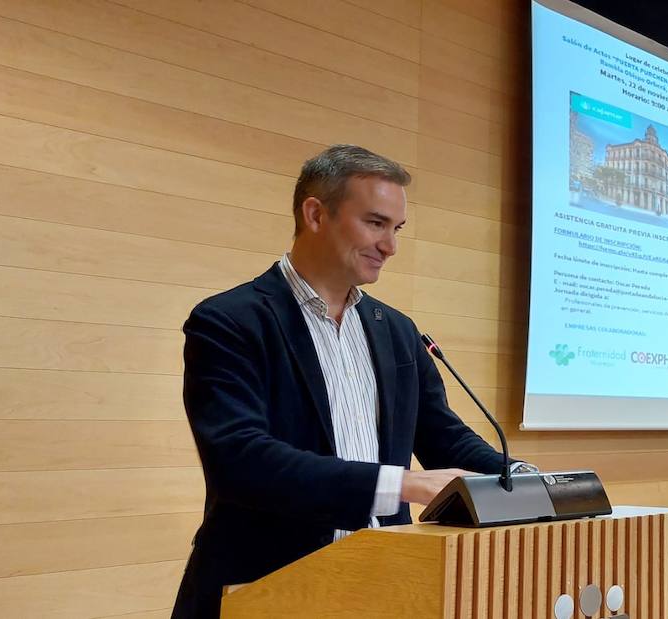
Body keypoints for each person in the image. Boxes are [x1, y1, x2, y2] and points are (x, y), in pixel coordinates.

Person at [172, 145, 529, 618]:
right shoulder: (230, 321)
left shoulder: (397, 331)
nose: (390, 246)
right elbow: (241, 460)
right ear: (316, 214)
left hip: (382, 587)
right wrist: (401, 484)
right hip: (264, 586)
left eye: (397, 229)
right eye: (376, 223)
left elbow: (444, 439)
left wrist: (523, 477)